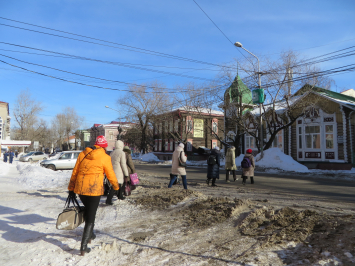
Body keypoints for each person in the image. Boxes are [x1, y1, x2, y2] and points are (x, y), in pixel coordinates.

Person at [67, 135, 119, 256]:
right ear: (104, 146)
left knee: (89, 211)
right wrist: (116, 187)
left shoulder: (82, 154)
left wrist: (71, 189)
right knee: (90, 217)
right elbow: (110, 173)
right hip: (94, 189)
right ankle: (84, 246)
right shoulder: (105, 157)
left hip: (80, 189)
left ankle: (91, 234)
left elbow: (75, 172)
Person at [106, 140, 129, 204]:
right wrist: (126, 173)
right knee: (115, 185)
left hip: (112, 170)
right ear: (121, 145)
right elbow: (123, 164)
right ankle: (108, 200)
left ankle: (120, 195)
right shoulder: (122, 153)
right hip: (119, 171)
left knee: (117, 184)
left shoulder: (112, 153)